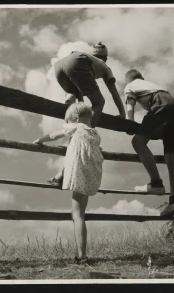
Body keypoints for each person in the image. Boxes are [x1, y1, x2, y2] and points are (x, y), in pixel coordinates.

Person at [33, 102, 104, 264]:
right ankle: (59, 176)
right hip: (91, 175)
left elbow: (55, 135)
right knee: (82, 214)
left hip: (79, 174)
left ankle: (82, 256)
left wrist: (39, 139)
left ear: (76, 119)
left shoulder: (75, 127)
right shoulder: (95, 134)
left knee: (77, 216)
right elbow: (82, 152)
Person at [49, 42, 125, 185]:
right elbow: (113, 92)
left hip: (59, 66)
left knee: (79, 105)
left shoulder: (89, 59)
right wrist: (122, 114)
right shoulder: (104, 67)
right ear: (106, 58)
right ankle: (86, 134)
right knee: (99, 102)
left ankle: (70, 99)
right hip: (77, 63)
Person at [124, 69, 174, 217]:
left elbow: (130, 106)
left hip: (161, 103)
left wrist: (129, 124)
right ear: (142, 77)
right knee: (171, 154)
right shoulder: (152, 85)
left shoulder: (130, 86)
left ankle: (156, 183)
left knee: (138, 142)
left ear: (128, 81)